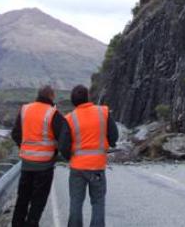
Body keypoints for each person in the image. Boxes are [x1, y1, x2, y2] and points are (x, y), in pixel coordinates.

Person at [59, 84, 118, 227]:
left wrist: (70, 158)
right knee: (98, 203)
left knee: (76, 203)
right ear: (88, 97)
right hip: (97, 167)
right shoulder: (103, 112)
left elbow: (63, 146)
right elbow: (114, 136)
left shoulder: (69, 118)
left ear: (73, 101)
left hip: (77, 168)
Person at [11, 84, 68, 226]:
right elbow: (64, 138)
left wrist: (24, 147)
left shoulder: (25, 110)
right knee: (38, 202)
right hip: (44, 166)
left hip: (27, 164)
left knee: (22, 200)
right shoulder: (53, 114)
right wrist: (60, 154)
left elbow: (15, 134)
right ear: (51, 96)